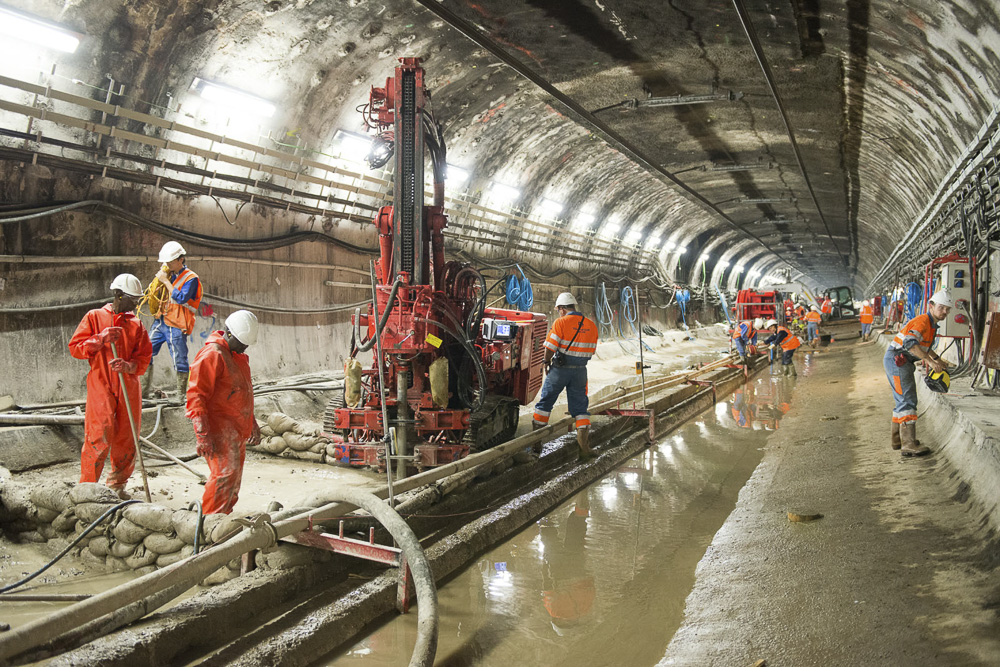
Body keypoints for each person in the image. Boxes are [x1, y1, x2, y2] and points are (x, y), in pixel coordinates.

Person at [68, 274, 152, 499]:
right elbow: (75, 348)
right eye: (132, 299)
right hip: (101, 383)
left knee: (127, 436)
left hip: (128, 384)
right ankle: (87, 488)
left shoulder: (135, 324)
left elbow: (144, 357)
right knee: (98, 435)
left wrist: (128, 365)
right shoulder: (94, 317)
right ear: (118, 295)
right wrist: (100, 339)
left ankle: (117, 484)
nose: (135, 304)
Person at [186, 310, 261, 514]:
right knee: (223, 478)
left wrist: (251, 422)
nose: (245, 347)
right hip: (219, 430)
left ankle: (223, 518)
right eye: (242, 341)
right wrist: (202, 435)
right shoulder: (212, 355)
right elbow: (195, 396)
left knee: (233, 479)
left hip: (236, 429)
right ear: (229, 333)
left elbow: (241, 393)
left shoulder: (236, 356)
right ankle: (211, 522)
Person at [883, 290, 953, 457]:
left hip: (901, 361)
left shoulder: (932, 324)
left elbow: (923, 347)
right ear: (931, 306)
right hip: (897, 360)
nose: (944, 312)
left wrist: (937, 359)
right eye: (941, 307)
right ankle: (908, 444)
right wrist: (930, 362)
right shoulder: (923, 322)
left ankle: (897, 440)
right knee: (907, 400)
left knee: (902, 398)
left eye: (947, 309)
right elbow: (910, 344)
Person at [532, 293, 599, 460]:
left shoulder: (561, 322)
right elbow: (591, 350)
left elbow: (550, 347)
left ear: (562, 309)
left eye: (559, 310)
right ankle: (584, 448)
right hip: (580, 371)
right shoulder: (591, 325)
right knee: (581, 409)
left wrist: (546, 361)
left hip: (560, 370)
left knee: (545, 403)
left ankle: (535, 447)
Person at [149, 241, 203, 399]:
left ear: (181, 259)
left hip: (178, 323)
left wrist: (165, 281)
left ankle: (181, 395)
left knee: (179, 357)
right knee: (145, 351)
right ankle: (144, 391)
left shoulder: (191, 278)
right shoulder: (169, 274)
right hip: (162, 320)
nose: (167, 264)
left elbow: (180, 298)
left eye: (171, 261)